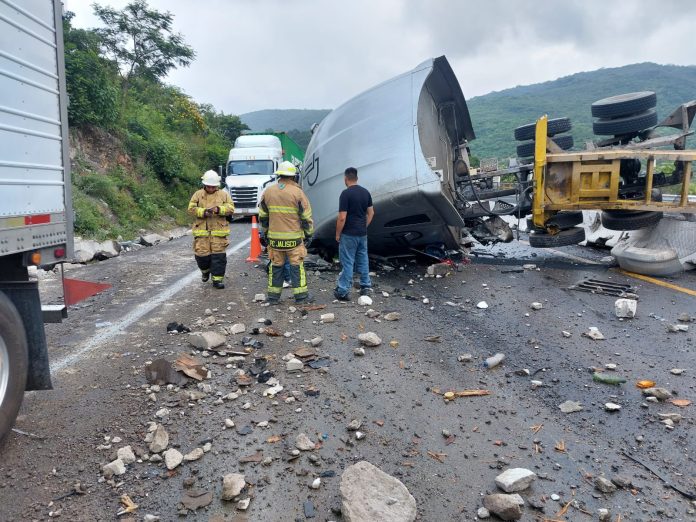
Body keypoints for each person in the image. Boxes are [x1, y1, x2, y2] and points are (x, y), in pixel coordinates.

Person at [258, 161, 314, 304]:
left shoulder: (268, 191)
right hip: (294, 239)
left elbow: (263, 216)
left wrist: (266, 233)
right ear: (293, 176)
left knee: (276, 267)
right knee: (296, 266)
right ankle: (301, 297)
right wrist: (308, 234)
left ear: (279, 175)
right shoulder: (298, 193)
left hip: (275, 239)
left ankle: (273, 297)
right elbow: (306, 218)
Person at [187, 170, 235, 289]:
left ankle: (217, 280)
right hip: (201, 232)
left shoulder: (224, 195)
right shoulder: (198, 194)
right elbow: (191, 208)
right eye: (208, 186)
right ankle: (205, 271)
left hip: (219, 232)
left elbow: (231, 208)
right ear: (204, 185)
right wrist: (203, 212)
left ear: (217, 186)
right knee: (202, 256)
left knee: (219, 258)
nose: (211, 188)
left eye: (213, 186)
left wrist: (219, 210)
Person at [334, 167, 374, 300]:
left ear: (346, 179)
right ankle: (366, 287)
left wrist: (338, 234)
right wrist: (363, 225)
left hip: (348, 234)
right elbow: (371, 213)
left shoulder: (345, 194)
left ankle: (343, 291)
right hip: (362, 234)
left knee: (348, 262)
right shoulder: (365, 192)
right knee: (363, 259)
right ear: (357, 178)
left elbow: (342, 217)